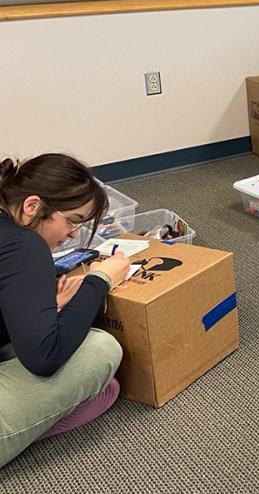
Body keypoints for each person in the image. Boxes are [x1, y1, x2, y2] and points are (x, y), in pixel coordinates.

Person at [0, 154, 132, 467]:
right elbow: (45, 356)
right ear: (32, 206)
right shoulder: (23, 245)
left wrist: (43, 305)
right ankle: (35, 425)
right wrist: (100, 279)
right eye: (72, 220)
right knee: (101, 350)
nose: (72, 234)